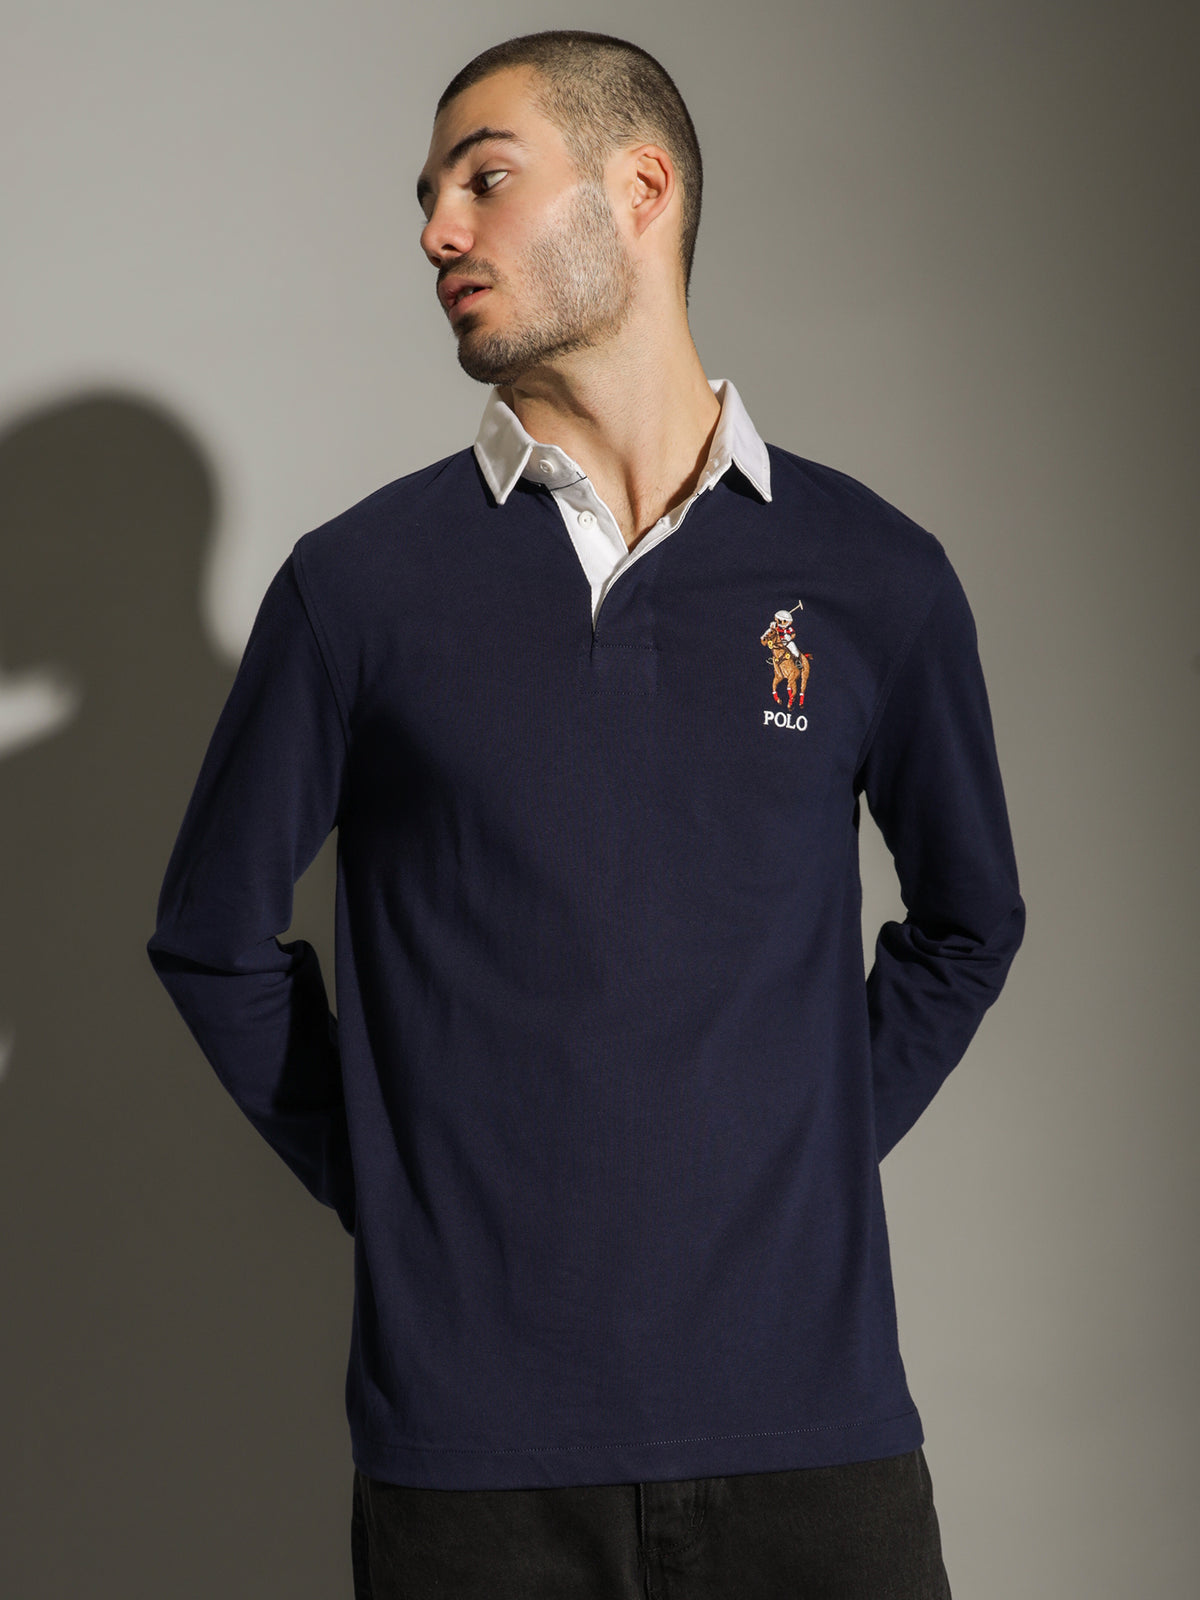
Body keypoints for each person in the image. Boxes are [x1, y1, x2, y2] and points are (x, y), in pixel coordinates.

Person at [147, 28, 1025, 1599]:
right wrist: (396, 1172)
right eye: (428, 198)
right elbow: (211, 936)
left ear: (641, 189)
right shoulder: (360, 588)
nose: (438, 231)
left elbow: (970, 921)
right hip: (474, 1477)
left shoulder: (874, 576)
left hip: (814, 1449)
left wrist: (810, 1136)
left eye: (484, 179)